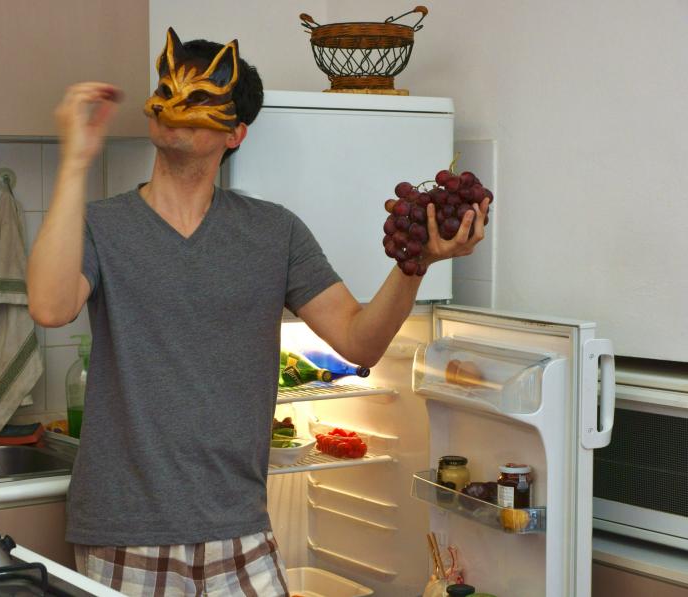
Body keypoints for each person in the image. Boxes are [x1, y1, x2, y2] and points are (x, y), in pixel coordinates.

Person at [27, 28, 489, 597]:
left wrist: (417, 264)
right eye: (168, 89)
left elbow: (360, 341)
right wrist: (75, 160)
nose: (177, 104)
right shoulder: (102, 225)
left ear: (235, 133)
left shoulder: (275, 232)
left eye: (202, 95)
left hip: (239, 527)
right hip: (124, 531)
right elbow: (50, 307)